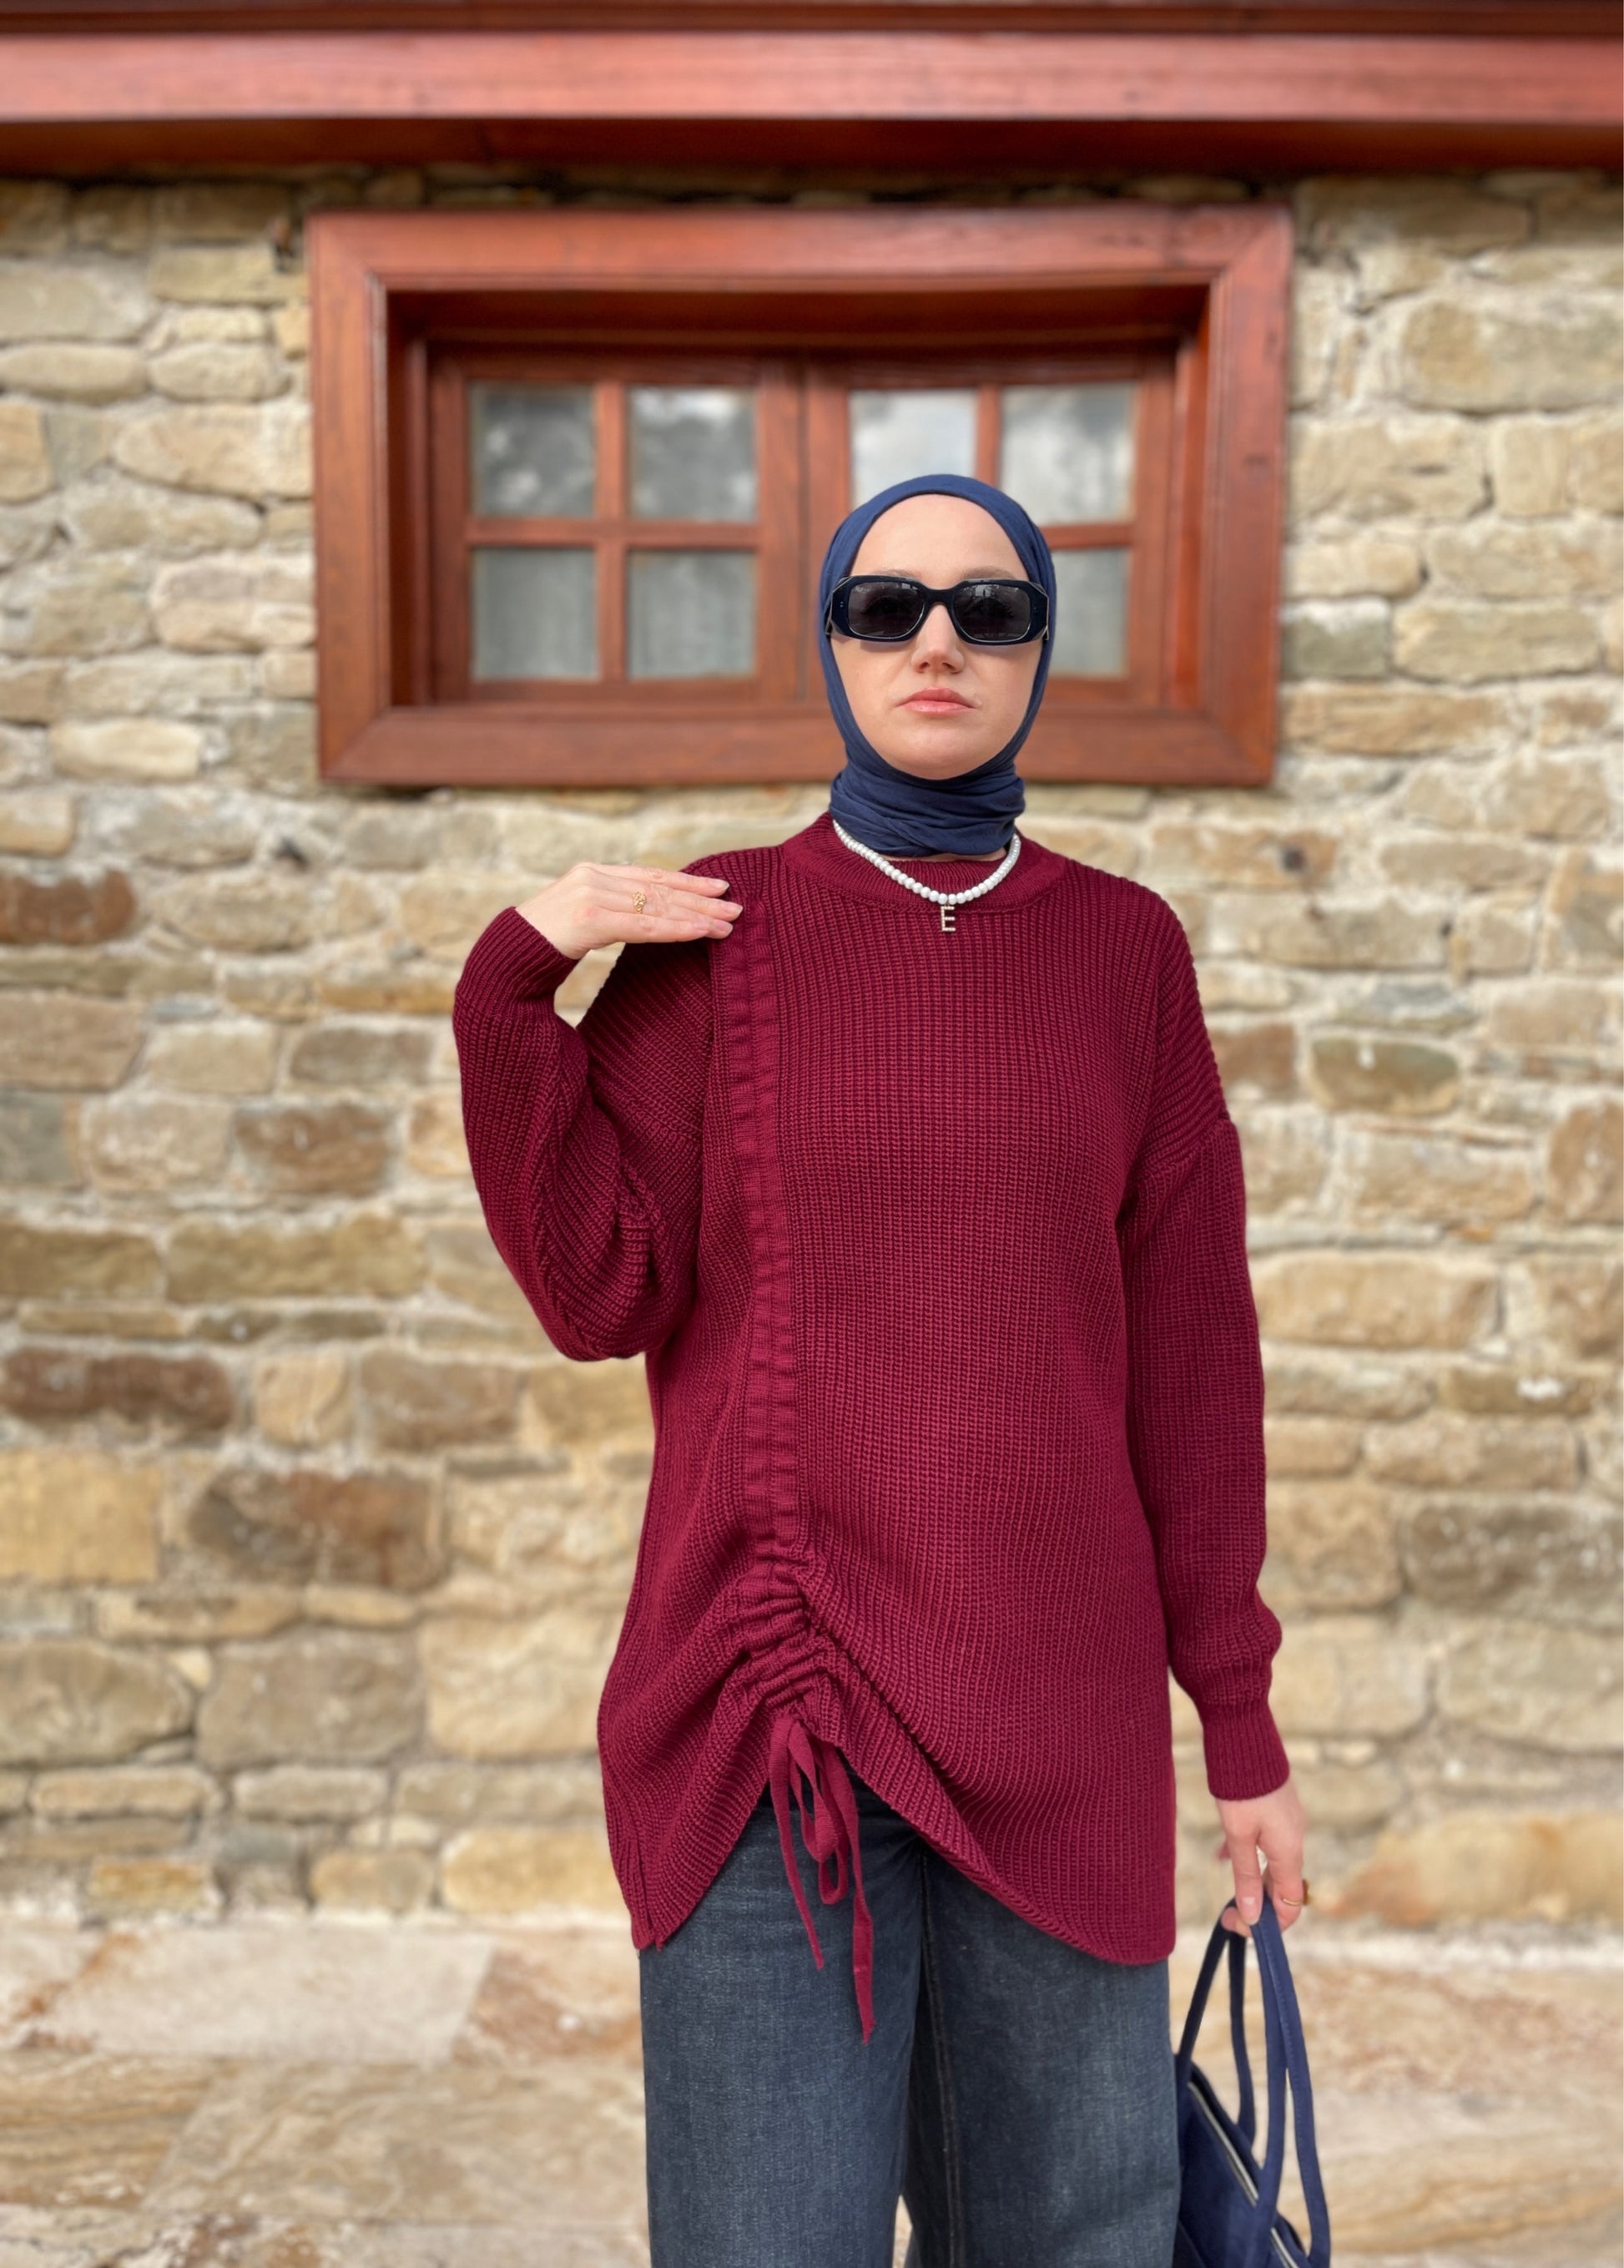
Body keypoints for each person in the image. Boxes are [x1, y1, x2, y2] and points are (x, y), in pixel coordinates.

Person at [451, 472, 1309, 2268]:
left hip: (1060, 1722)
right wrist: (513, 986)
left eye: (989, 610)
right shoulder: (722, 935)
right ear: (832, 642)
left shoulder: (1124, 953)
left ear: (1038, 652)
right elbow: (599, 1293)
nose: (937, 641)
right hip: (778, 1712)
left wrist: (1236, 1723)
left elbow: (1191, 1372)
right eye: (886, 605)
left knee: (1076, 2240)